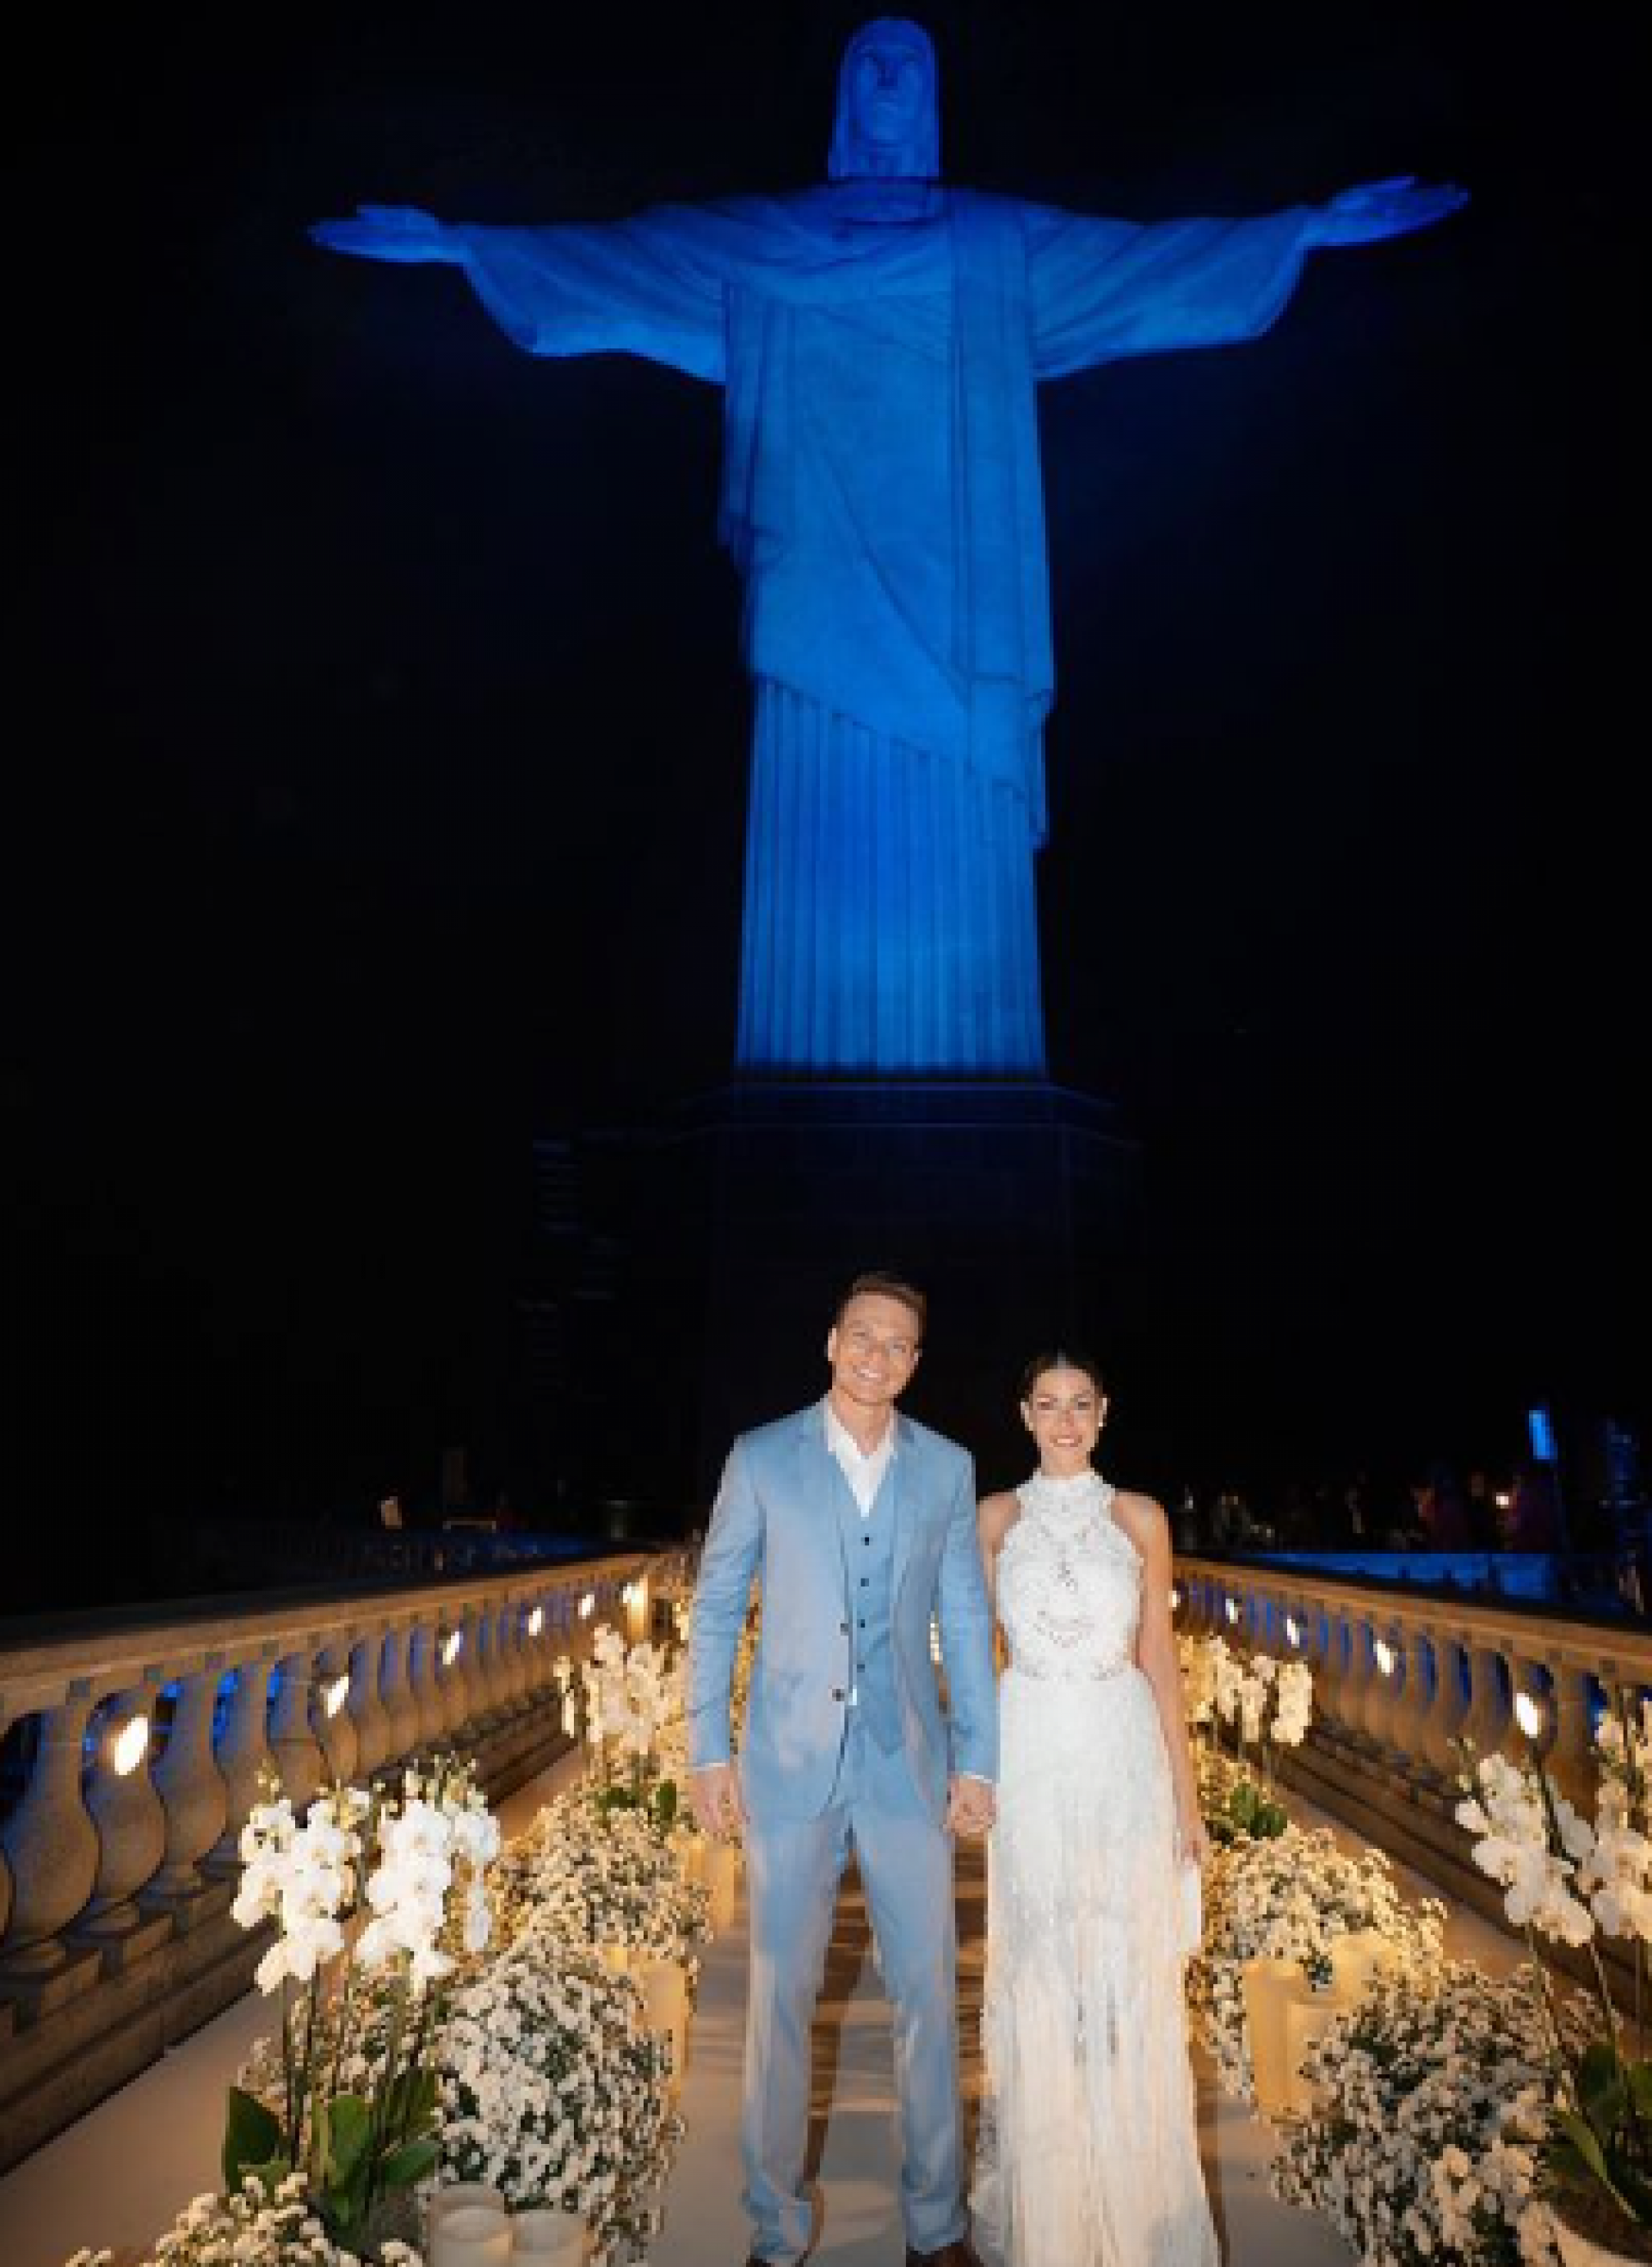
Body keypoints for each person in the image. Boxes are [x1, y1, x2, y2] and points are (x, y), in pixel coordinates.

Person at [310, 17, 1466, 1082]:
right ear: (838, 90)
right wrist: (464, 248)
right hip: (817, 593)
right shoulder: (766, 241)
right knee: (816, 841)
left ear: (936, 95)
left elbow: (1145, 268)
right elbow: (620, 261)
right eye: (867, 56)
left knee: (960, 838)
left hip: (963, 610)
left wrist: (1303, 229)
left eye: (908, 60)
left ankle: (968, 1075)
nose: (887, 78)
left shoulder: (993, 245)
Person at [684, 1270, 998, 2267]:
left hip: (907, 1764)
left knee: (927, 1999)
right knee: (779, 2001)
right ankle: (775, 2229)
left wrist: (978, 1759)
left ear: (914, 1361)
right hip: (786, 1765)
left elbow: (963, 1616)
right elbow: (717, 1607)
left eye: (897, 1343)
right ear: (831, 1342)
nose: (877, 1354)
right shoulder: (762, 1457)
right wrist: (707, 1748)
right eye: (862, 1335)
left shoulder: (947, 1468)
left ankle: (935, 2223)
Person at [972, 1352, 1214, 2267]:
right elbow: (970, 1648)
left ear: (1104, 1412)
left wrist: (1186, 1803)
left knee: (1125, 1973)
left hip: (1122, 1759)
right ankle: (1055, 2213)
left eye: (1081, 1403)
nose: (1065, 1418)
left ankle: (1138, 2205)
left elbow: (1160, 1656)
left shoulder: (1141, 1517)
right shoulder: (993, 1519)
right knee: (1040, 1969)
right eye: (1048, 1403)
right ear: (1023, 1412)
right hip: (1030, 1748)